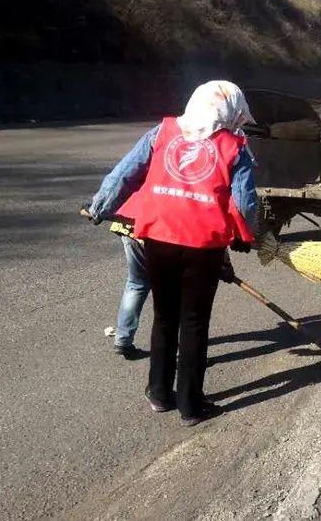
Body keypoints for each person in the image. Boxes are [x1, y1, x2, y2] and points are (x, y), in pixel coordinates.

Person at [90, 81, 258, 424]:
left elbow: (125, 173)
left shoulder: (161, 131)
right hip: (203, 246)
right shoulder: (235, 146)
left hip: (158, 238)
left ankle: (159, 393)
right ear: (233, 111)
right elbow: (245, 202)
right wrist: (245, 236)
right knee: (194, 323)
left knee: (164, 317)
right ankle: (190, 406)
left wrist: (100, 207)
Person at [87, 125, 159, 358]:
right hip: (158, 228)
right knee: (171, 291)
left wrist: (98, 207)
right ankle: (177, 348)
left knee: (136, 283)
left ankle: (123, 339)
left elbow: (122, 174)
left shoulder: (160, 136)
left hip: (130, 222)